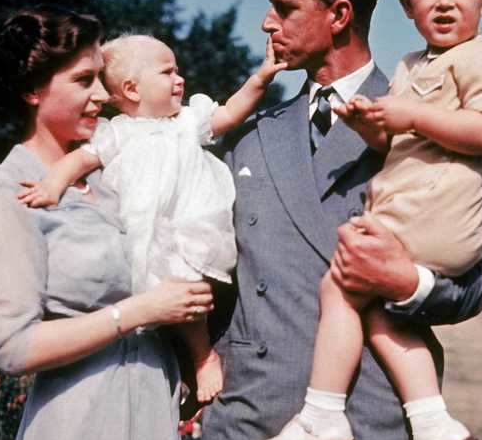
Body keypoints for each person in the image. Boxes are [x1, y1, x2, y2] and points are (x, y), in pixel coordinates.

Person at [197, 0, 482, 440]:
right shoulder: (250, 135)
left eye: (284, 8)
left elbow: (472, 285)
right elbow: (206, 269)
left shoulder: (430, 122)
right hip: (249, 435)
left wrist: (406, 282)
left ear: (339, 14)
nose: (267, 22)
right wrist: (197, 361)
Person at [0, 6, 216, 440]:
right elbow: (15, 348)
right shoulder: (5, 192)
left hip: (153, 427)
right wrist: (140, 311)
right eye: (83, 81)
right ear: (32, 90)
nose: (102, 95)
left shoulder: (114, 182)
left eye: (101, 79)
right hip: (76, 437)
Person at [16, 34, 285, 404]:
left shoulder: (188, 121)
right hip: (138, 230)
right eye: (167, 72)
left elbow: (229, 112)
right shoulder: (117, 133)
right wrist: (51, 184)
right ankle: (171, 369)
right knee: (145, 298)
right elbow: (79, 160)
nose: (180, 79)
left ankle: (202, 355)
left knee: (186, 289)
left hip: (187, 228)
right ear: (131, 88)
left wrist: (261, 77)